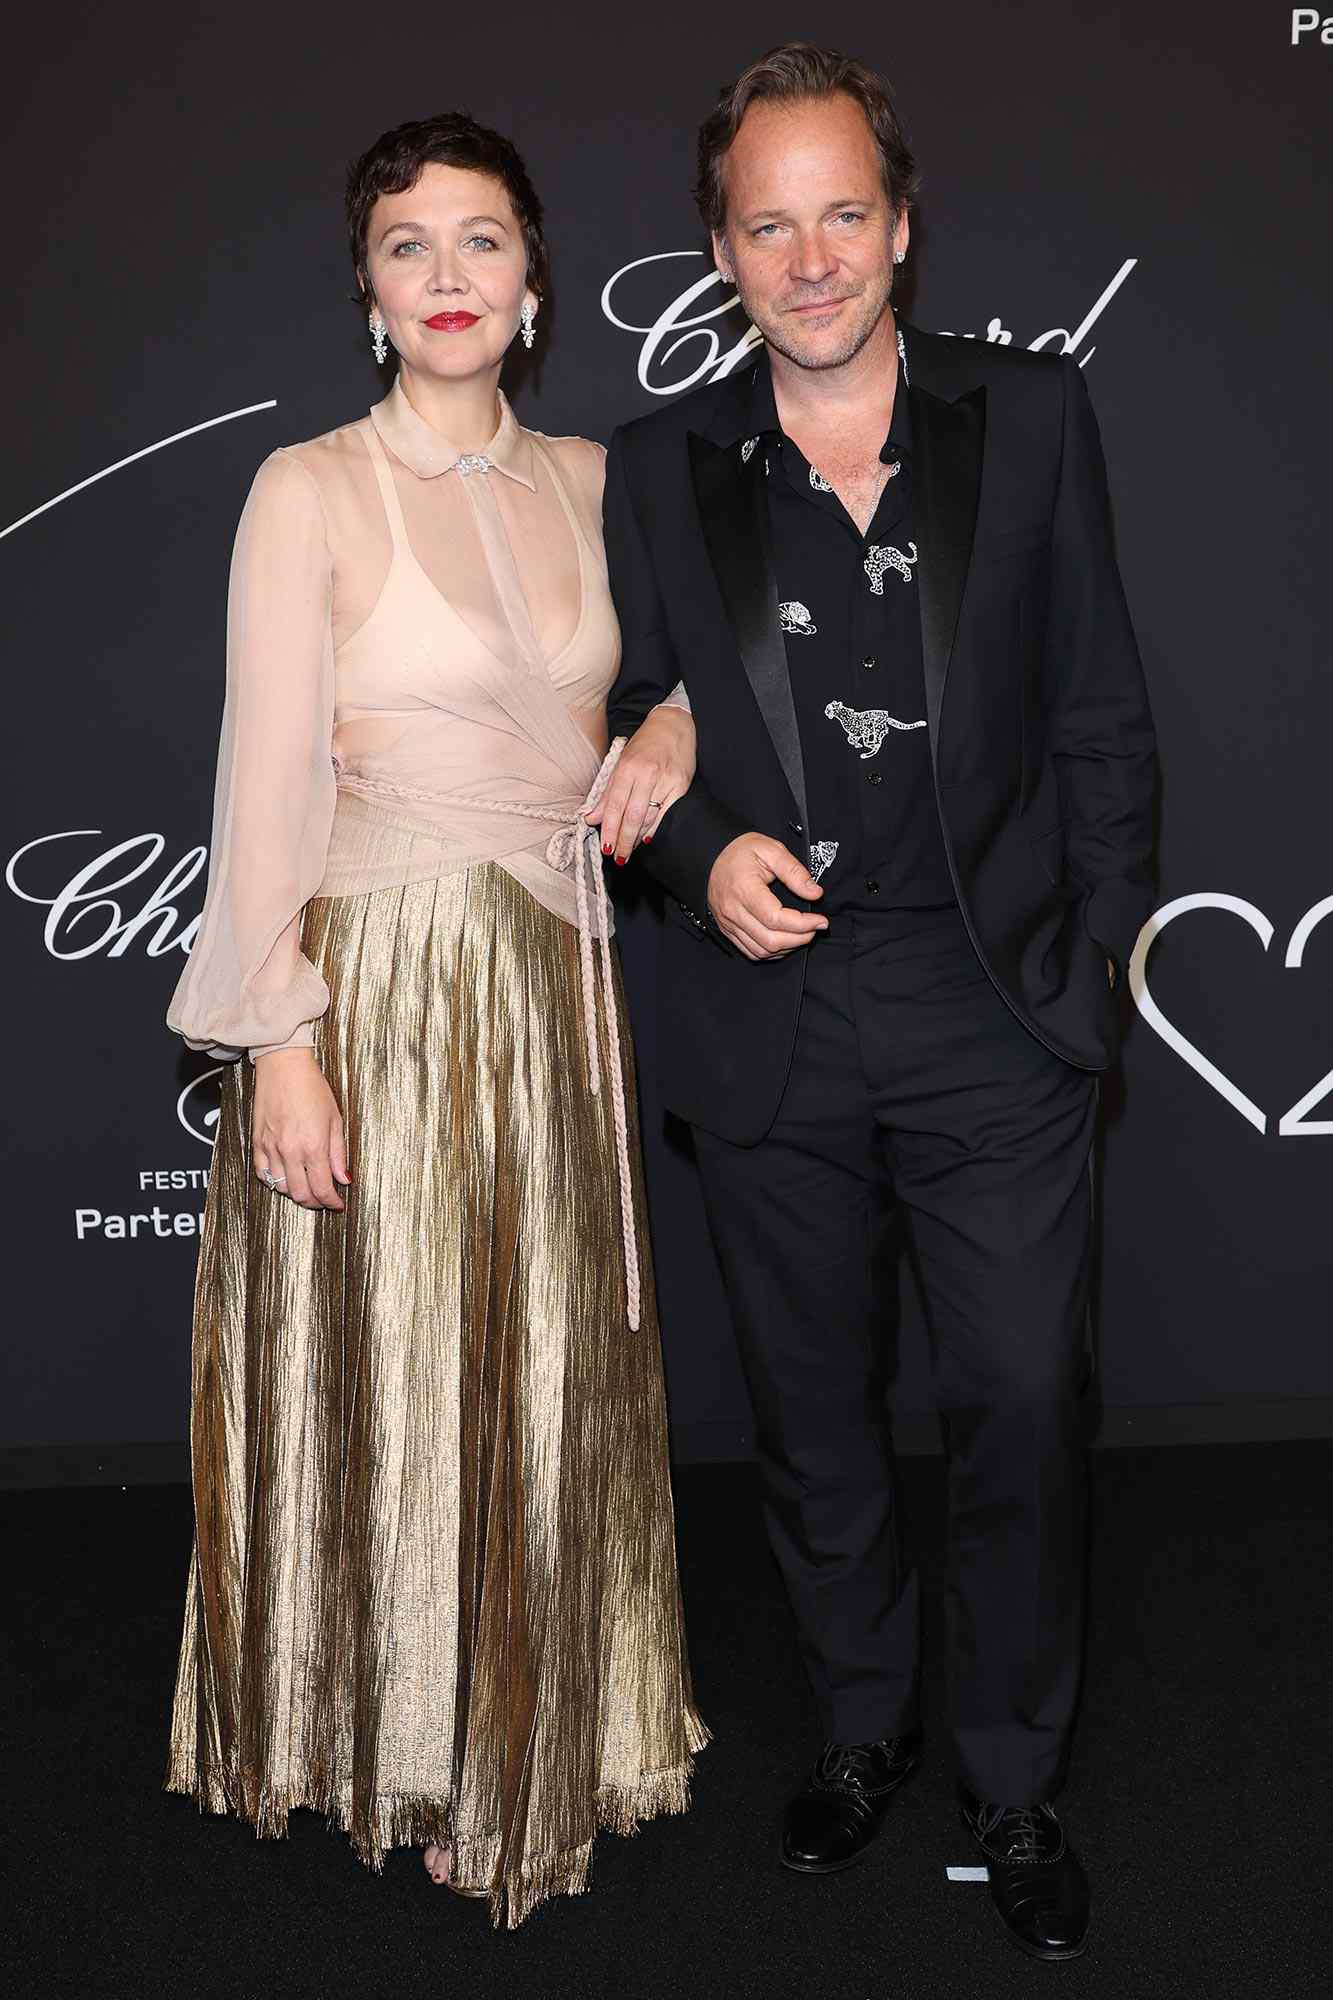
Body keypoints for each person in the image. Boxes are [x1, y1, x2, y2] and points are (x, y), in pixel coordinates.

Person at [598, 43, 1156, 1963]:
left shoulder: (1034, 417)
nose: (810, 254)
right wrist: (692, 862)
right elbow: (632, 725)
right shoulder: (665, 470)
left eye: (844, 212)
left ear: (901, 230)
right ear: (720, 251)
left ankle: (1010, 1774)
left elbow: (1097, 712)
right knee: (814, 1415)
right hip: (774, 1016)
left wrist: (1094, 974)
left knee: (1011, 1399)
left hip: (993, 1009)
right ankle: (860, 1728)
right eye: (769, 221)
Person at [165, 111, 706, 1928]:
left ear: (534, 282)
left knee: (541, 1377)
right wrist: (280, 1040)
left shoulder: (596, 480)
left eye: (482, 241)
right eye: (411, 246)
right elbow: (259, 784)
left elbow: (694, 672)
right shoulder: (307, 489)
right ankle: (407, 1736)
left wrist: (670, 733)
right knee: (406, 1375)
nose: (450, 276)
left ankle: (524, 1740)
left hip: (555, 981)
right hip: (381, 984)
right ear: (370, 293)